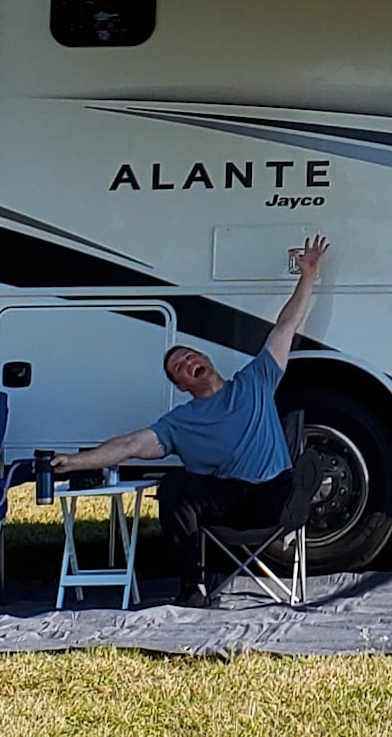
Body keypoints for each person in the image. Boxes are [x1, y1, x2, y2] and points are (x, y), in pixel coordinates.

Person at [49, 234, 327, 605]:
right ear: (181, 385)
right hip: (226, 499)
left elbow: (285, 326)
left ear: (206, 360)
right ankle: (192, 588)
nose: (187, 363)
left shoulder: (255, 380)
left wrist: (308, 275)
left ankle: (299, 498)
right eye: (178, 367)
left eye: (190, 356)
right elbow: (129, 445)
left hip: (271, 491)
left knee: (288, 479)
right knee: (175, 483)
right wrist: (75, 462)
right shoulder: (180, 421)